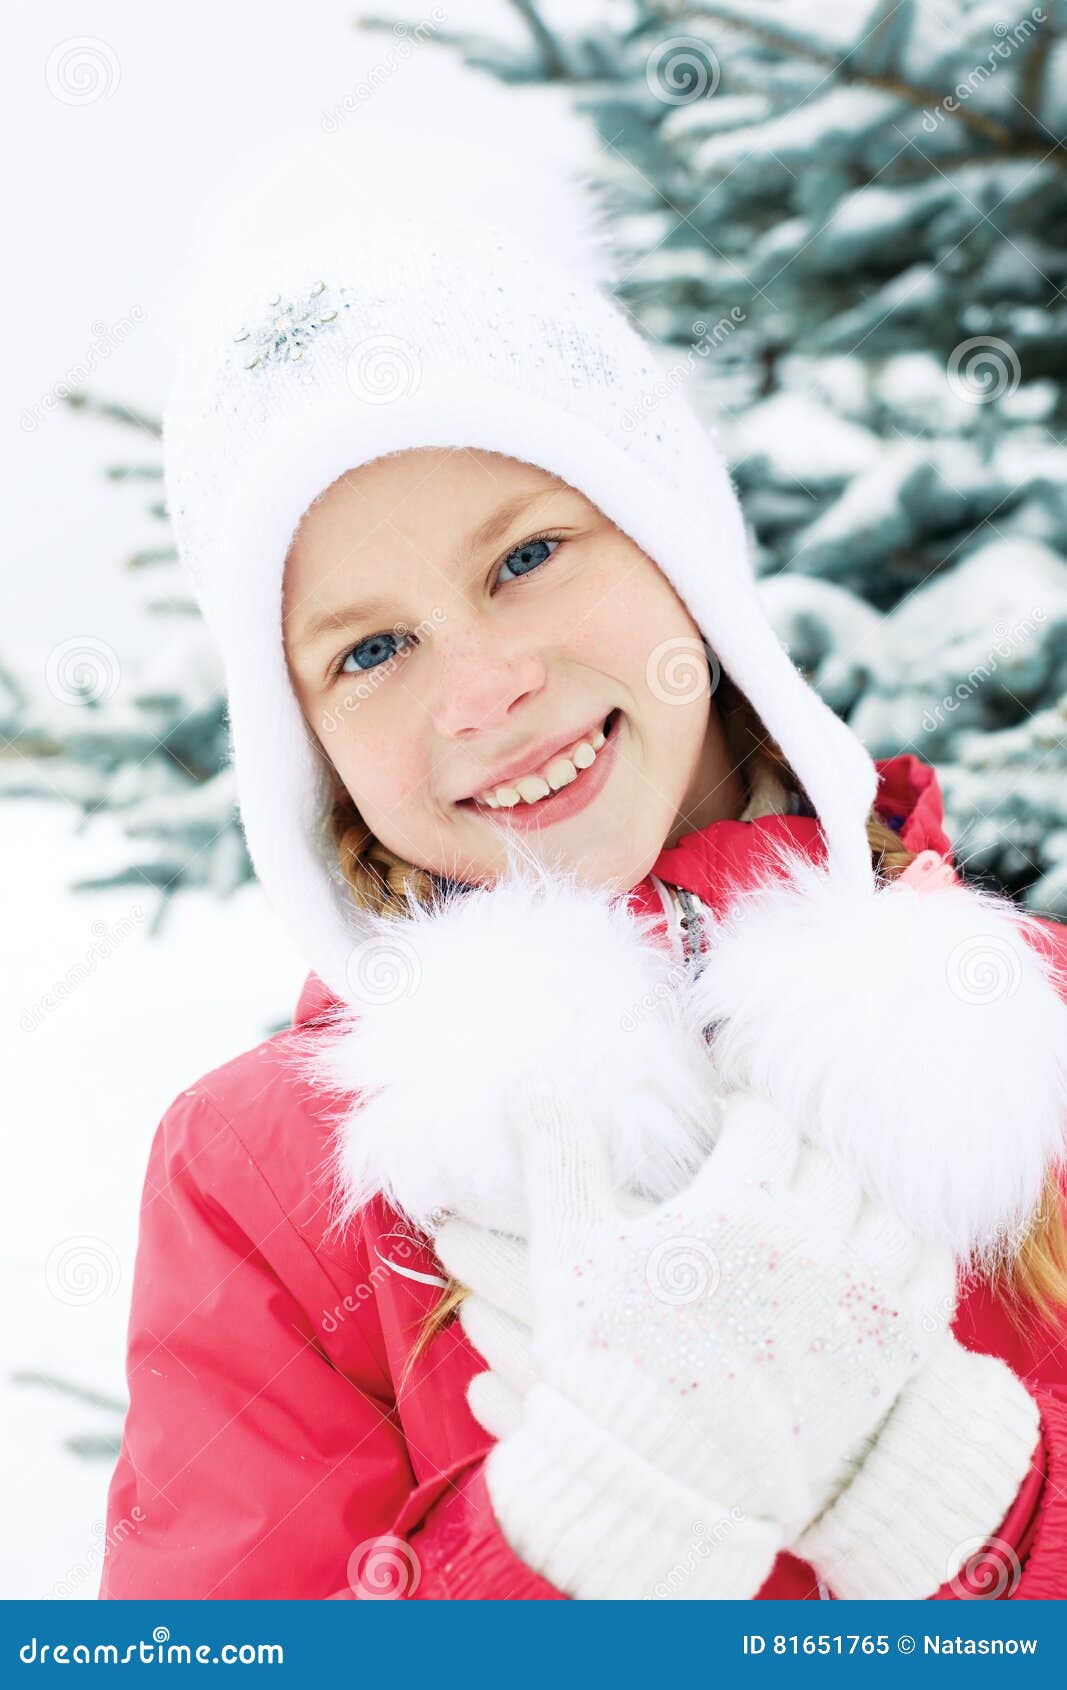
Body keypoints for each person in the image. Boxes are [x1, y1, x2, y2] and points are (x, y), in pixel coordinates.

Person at [100, 64, 1067, 1601]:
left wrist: (978, 1505)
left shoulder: (1031, 1024)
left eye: (529, 555)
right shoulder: (270, 1179)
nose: (486, 688)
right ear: (308, 753)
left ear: (678, 546)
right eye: (368, 650)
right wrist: (574, 1537)